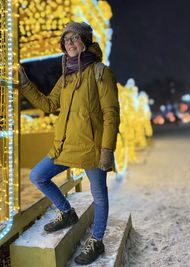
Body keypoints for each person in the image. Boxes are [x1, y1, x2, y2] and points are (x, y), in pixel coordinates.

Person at [20, 21, 120, 265]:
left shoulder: (100, 72)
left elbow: (111, 114)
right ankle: (67, 212)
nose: (70, 43)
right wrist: (24, 83)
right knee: (38, 176)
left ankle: (97, 240)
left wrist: (107, 150)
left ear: (85, 41)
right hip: (64, 146)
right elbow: (48, 105)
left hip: (92, 148)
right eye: (66, 40)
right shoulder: (66, 77)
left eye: (74, 38)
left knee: (99, 196)